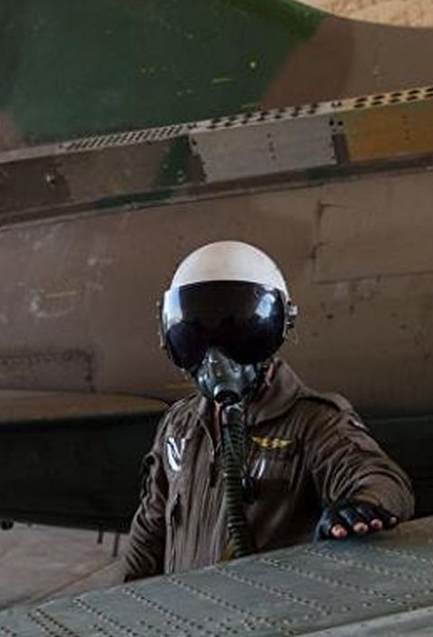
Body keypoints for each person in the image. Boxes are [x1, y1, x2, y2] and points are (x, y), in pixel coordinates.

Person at [120, 241, 414, 579]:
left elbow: (383, 480)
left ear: (277, 328)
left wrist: (364, 503)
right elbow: (151, 528)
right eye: (196, 335)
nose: (215, 359)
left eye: (236, 333)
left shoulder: (312, 422)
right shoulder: (179, 426)